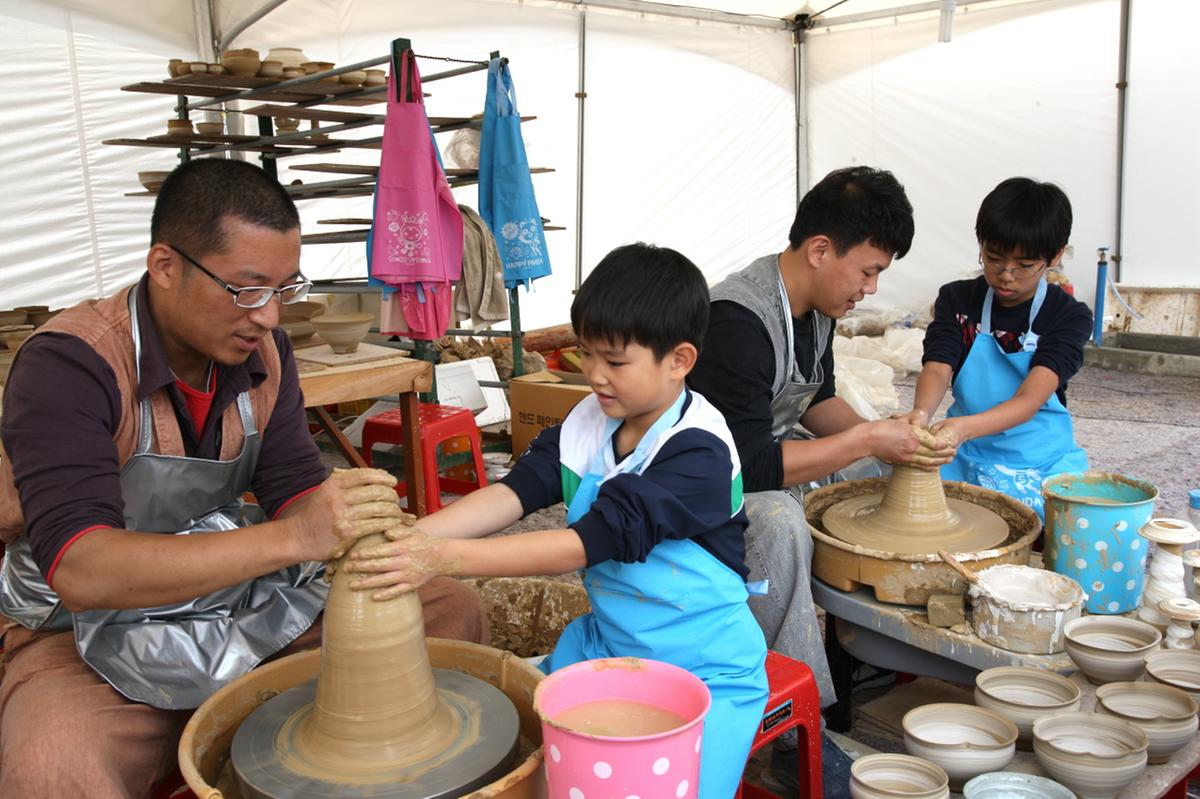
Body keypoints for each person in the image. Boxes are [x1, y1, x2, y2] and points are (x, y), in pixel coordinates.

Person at [0, 159, 488, 797]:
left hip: (224, 598)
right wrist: (299, 538)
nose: (269, 317)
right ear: (165, 266)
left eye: (285, 290)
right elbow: (81, 571)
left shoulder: (264, 354)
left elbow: (291, 484)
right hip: (82, 631)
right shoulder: (71, 364)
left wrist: (357, 527)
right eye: (248, 290)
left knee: (447, 609)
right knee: (54, 763)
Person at [344, 243, 769, 799]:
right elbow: (514, 493)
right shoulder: (591, 420)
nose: (595, 375)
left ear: (679, 360)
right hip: (608, 644)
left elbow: (584, 545)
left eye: (614, 361)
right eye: (586, 354)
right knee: (517, 750)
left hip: (705, 668)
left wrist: (443, 559)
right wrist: (409, 538)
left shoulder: (698, 451)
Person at [687, 165, 950, 789]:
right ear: (821, 249)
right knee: (779, 520)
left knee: (873, 475)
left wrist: (885, 440)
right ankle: (797, 728)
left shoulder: (817, 305)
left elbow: (816, 400)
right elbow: (748, 466)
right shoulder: (737, 320)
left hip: (765, 456)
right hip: (702, 483)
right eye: (868, 271)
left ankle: (864, 656)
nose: (871, 288)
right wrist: (864, 439)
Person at [902, 177, 1091, 518]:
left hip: (1038, 459)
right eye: (993, 259)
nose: (1006, 275)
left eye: (1024, 265)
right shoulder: (957, 300)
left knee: (1045, 528)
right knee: (916, 507)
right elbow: (938, 366)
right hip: (965, 453)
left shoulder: (1067, 316)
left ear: (1055, 256)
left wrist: (962, 428)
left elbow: (1029, 400)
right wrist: (921, 415)